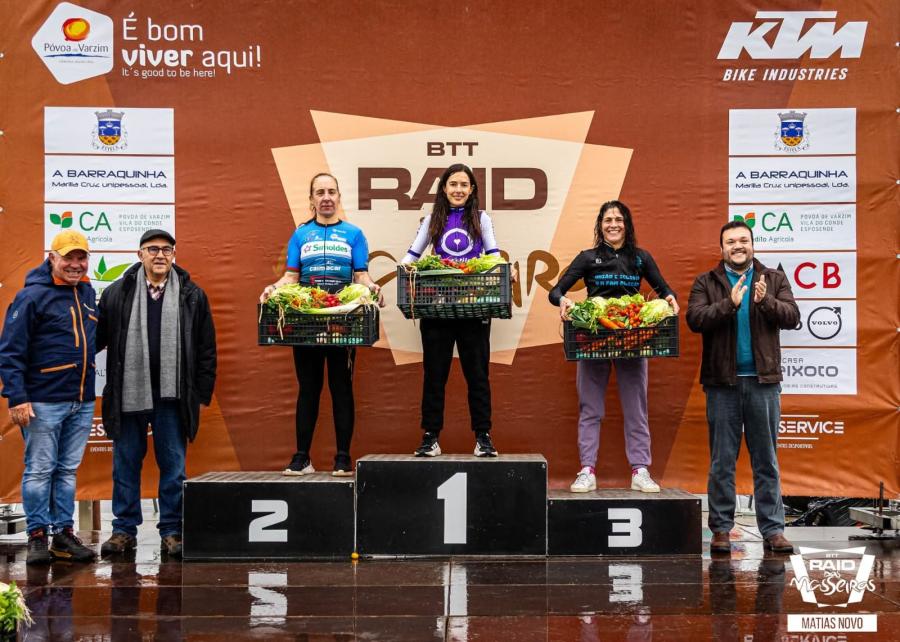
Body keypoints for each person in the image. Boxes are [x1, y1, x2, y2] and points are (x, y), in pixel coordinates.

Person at [96, 229, 217, 558]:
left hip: (172, 397)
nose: (160, 255)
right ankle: (123, 531)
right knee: (125, 465)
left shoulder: (192, 295)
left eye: (166, 249)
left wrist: (200, 393)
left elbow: (206, 347)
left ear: (174, 255)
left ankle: (172, 531)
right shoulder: (116, 293)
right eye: (153, 249)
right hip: (128, 395)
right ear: (140, 255)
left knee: (173, 467)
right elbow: (98, 338)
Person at [259, 172, 384, 477]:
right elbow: (291, 277)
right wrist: (272, 289)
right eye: (320, 192)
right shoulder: (301, 235)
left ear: (339, 197)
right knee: (308, 389)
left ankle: (343, 458)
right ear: (311, 200)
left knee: (341, 388)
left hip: (342, 321)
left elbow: (360, 276)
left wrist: (373, 288)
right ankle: (302, 457)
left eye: (331, 192)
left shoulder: (354, 234)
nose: (326, 197)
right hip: (307, 322)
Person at [549, 200, 678, 493]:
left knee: (636, 408)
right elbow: (555, 291)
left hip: (632, 339)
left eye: (619, 219)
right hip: (595, 338)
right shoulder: (588, 258)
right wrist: (564, 301)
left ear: (627, 224)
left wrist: (670, 299)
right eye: (608, 220)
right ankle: (587, 470)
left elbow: (664, 289)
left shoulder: (641, 258)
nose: (613, 224)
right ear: (600, 225)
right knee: (590, 407)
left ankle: (640, 470)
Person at [686, 220, 799, 555]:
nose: (738, 246)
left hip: (764, 383)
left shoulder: (773, 278)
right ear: (722, 248)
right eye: (731, 241)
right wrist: (730, 304)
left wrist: (765, 302)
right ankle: (721, 529)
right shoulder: (706, 282)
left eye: (743, 240)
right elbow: (695, 319)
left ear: (752, 244)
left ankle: (773, 531)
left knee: (766, 461)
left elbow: (792, 316)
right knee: (722, 461)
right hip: (722, 385)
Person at [401, 163, 513, 458]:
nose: (458, 190)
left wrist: (506, 270)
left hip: (473, 305)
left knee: (478, 375)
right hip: (437, 307)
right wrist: (401, 271)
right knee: (434, 375)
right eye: (453, 184)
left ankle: (483, 437)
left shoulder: (481, 218)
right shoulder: (432, 220)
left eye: (464, 185)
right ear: (444, 188)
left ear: (472, 189)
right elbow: (411, 256)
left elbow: (493, 255)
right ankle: (430, 437)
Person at [0, 231, 98, 564]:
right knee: (40, 470)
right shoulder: (31, 296)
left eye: (81, 258)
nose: (75, 264)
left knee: (67, 471)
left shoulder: (87, 292)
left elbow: (90, 341)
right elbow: (10, 351)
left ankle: (63, 535)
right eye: (68, 257)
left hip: (82, 401)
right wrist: (17, 397)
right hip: (43, 401)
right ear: (52, 258)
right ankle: (38, 536)